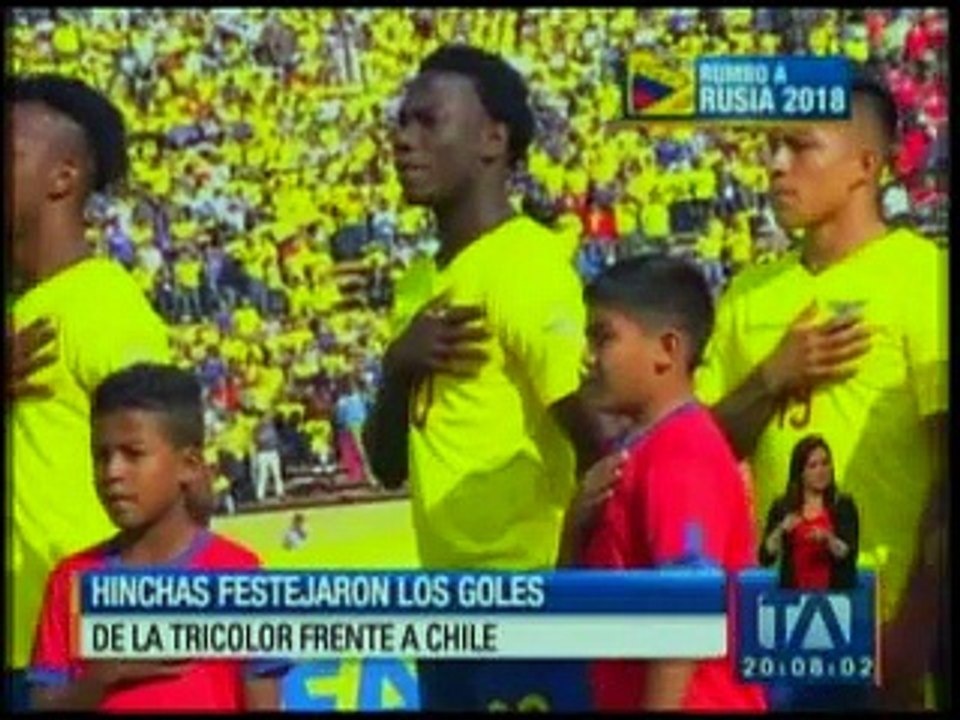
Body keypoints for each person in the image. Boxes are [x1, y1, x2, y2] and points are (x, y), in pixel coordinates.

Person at [694, 69, 948, 709]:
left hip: (886, 620)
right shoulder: (752, 291)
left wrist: (916, 621)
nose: (777, 166)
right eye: (772, 146)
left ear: (866, 164)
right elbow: (701, 450)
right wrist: (770, 379)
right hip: (775, 620)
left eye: (801, 146)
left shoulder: (923, 278)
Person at [362, 44, 604, 711]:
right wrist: (395, 367)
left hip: (526, 596)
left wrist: (572, 577)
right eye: (401, 124)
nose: (404, 141)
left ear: (493, 139)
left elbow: (601, 435)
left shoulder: (526, 264)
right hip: (447, 607)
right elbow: (386, 466)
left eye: (428, 122)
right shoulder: (418, 284)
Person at [7, 74, 172, 709]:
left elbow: (179, 483)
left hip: (79, 658)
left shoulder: (102, 304)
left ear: (63, 176)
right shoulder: (26, 308)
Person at [561, 255, 765, 712]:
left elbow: (687, 607)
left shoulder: (682, 451)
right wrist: (575, 527)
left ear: (667, 349)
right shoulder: (643, 449)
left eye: (603, 338)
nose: (587, 358)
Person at [28, 364, 288, 711]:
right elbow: (43, 703)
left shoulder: (239, 574)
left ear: (189, 465)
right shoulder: (70, 580)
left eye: (133, 454)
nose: (112, 472)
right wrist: (99, 680)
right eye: (101, 456)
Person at [760, 434, 859, 590]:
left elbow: (849, 556)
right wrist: (780, 531)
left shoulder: (843, 505)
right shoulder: (783, 507)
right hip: (794, 601)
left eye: (825, 463)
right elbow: (765, 558)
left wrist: (828, 539)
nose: (821, 471)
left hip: (836, 601)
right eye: (813, 466)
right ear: (800, 472)